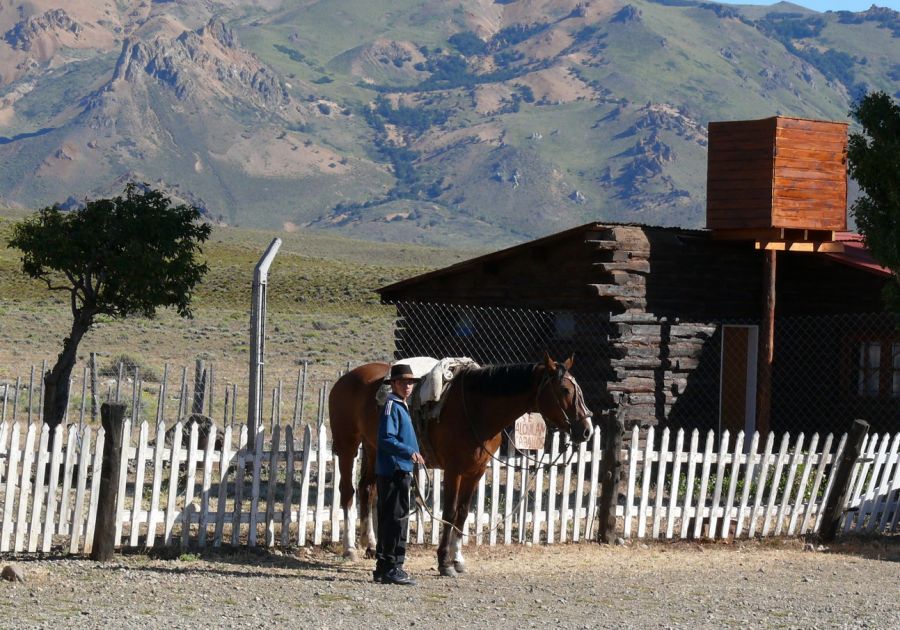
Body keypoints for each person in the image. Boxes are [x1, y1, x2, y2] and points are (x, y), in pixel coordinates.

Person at [373, 363, 425, 586]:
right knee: (395, 519)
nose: (408, 386)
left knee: (395, 518)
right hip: (393, 469)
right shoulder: (391, 407)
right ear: (393, 383)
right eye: (403, 382)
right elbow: (386, 439)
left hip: (400, 469)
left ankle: (387, 567)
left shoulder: (400, 406)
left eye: (410, 382)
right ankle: (391, 567)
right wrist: (409, 452)